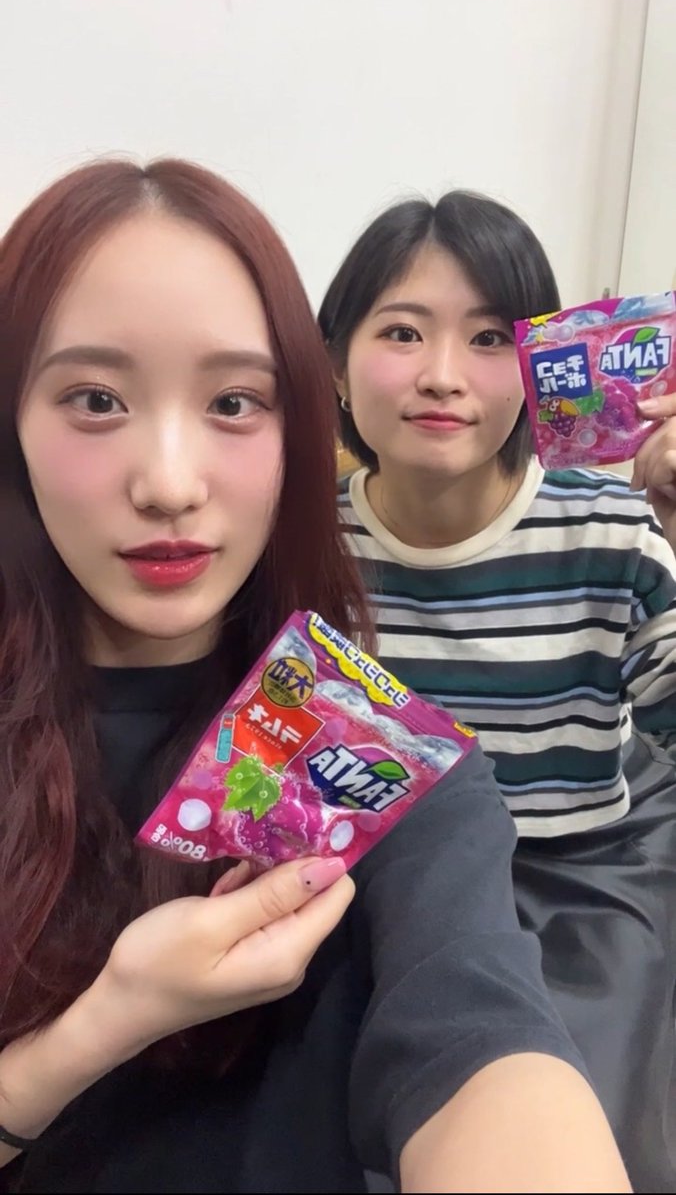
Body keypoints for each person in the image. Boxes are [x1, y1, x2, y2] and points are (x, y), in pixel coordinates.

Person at [0, 159, 628, 1195]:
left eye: (234, 401)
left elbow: (478, 1027)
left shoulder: (378, 756)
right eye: (96, 399)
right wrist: (104, 1026)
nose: (170, 484)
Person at [319, 188, 676, 1193]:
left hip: (575, 879)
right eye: (401, 331)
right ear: (334, 360)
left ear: (540, 368)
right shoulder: (303, 542)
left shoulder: (612, 530)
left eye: (488, 339)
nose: (442, 375)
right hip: (376, 888)